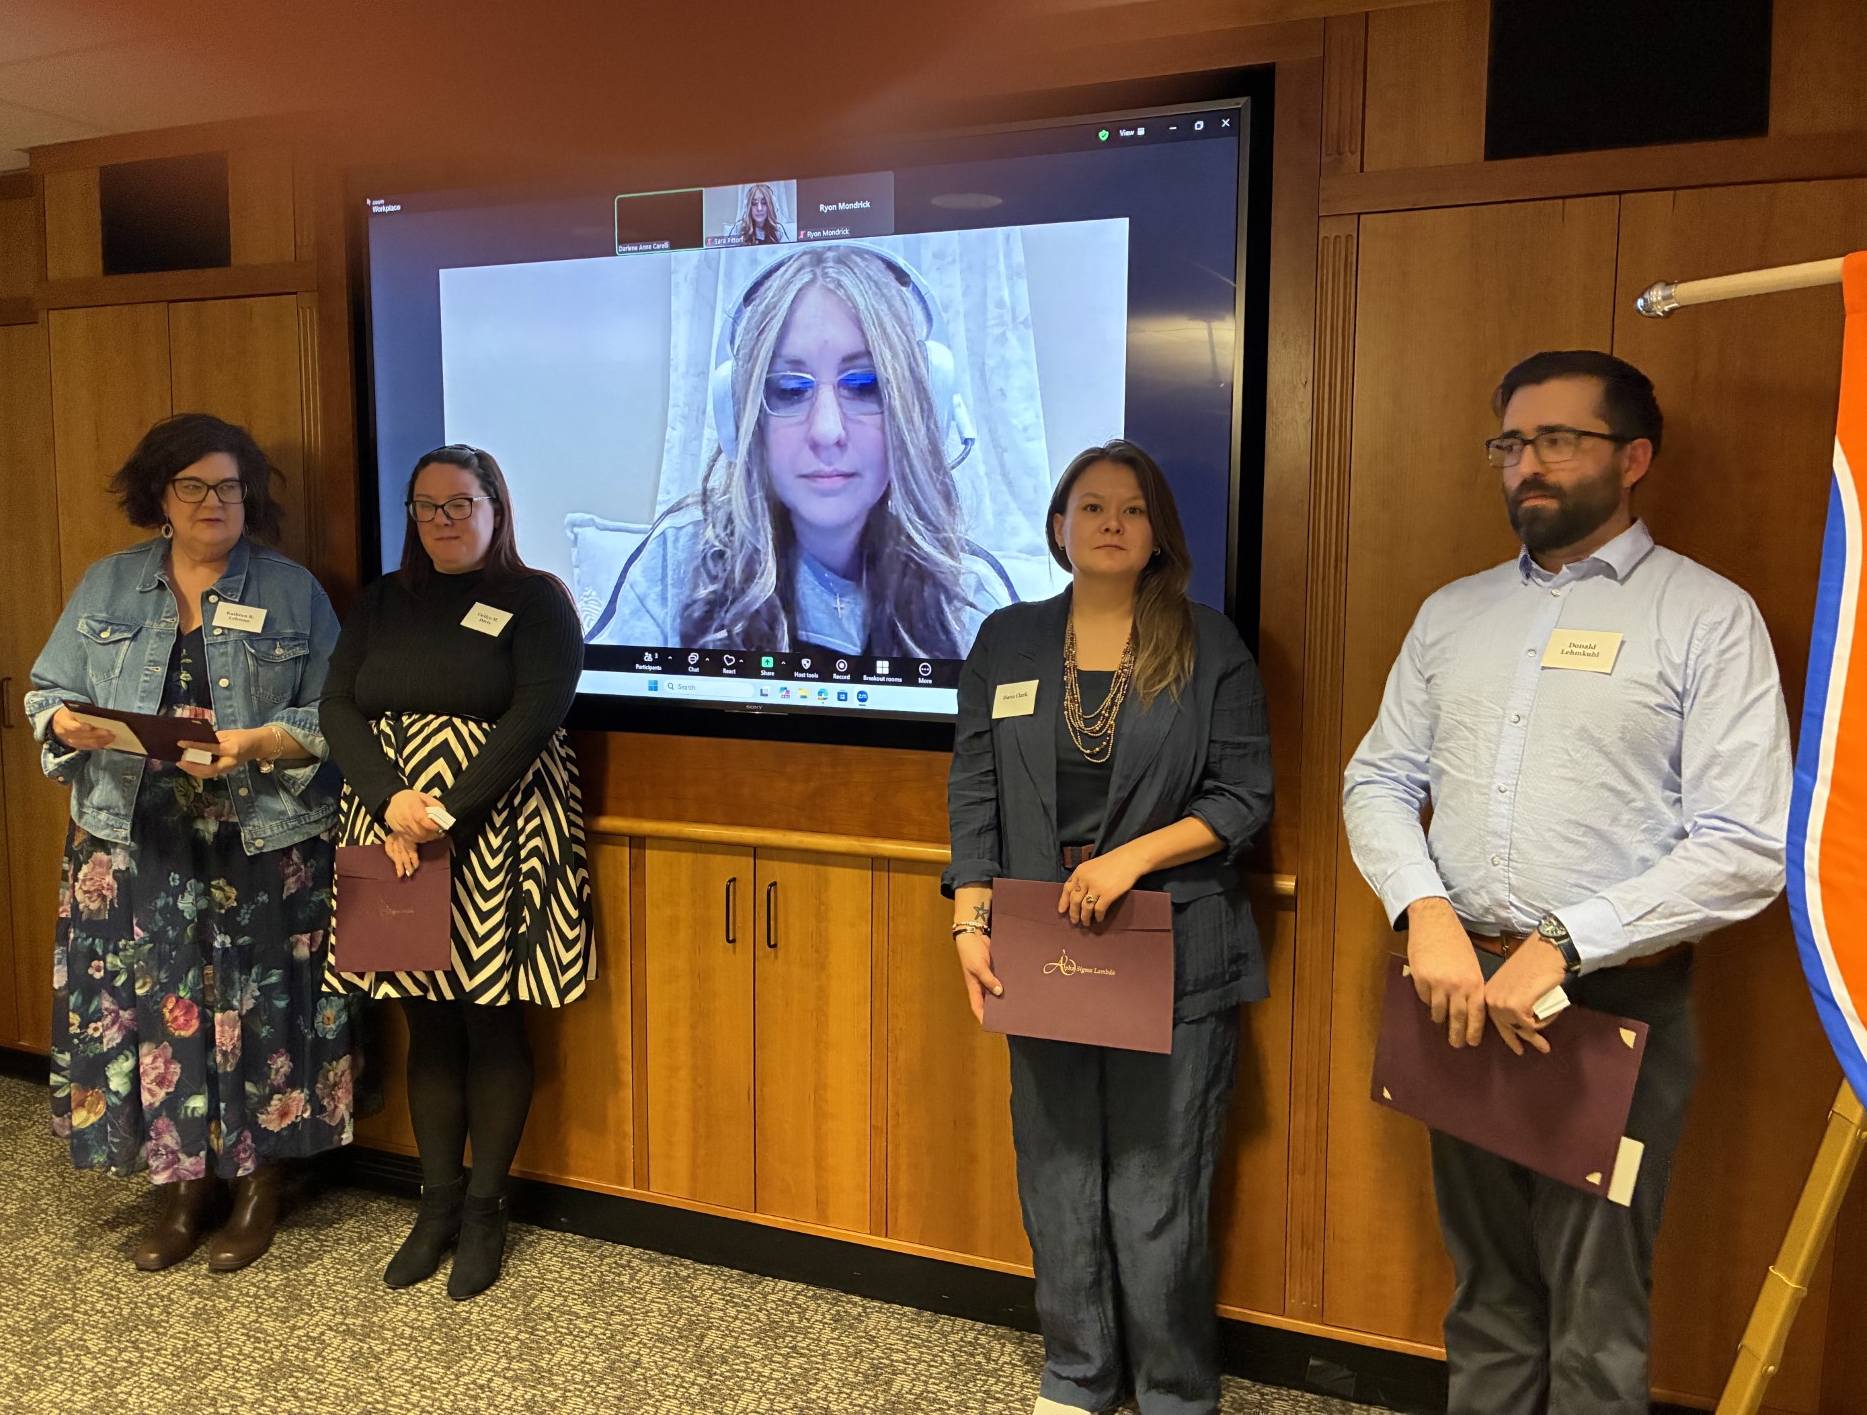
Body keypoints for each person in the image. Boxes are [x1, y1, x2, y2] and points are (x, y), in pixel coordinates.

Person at [1342, 351, 1791, 1413]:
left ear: (1634, 458)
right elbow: (1377, 778)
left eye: (1558, 440)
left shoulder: (1707, 617)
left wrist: (1565, 940)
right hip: (1458, 996)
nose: (1526, 464)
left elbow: (1747, 843)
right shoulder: (1453, 615)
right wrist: (1428, 915)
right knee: (1488, 1291)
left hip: (1609, 1014)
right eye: (1511, 442)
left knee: (1597, 1314)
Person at [944, 439, 1273, 1415]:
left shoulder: (1210, 646)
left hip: (1171, 951)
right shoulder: (1005, 640)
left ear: (1158, 531)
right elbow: (974, 786)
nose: (1112, 523)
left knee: (1157, 1182)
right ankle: (1078, 1374)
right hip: (1037, 953)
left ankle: (1174, 1389)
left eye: (1132, 508)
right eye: (1092, 507)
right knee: (1053, 1172)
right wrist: (970, 920)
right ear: (1059, 527)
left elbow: (1244, 795)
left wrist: (1132, 859)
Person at [25, 413, 348, 1273]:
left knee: (263, 1013)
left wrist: (258, 743)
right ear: (161, 497)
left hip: (260, 835)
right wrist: (63, 720)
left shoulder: (291, 591)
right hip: (135, 839)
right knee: (158, 1011)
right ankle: (181, 1188)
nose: (216, 502)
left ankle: (259, 1185)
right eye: (195, 486)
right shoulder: (108, 585)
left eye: (232, 487)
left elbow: (335, 716)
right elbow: (47, 689)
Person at [321, 442, 591, 1301]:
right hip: (388, 824)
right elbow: (336, 706)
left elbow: (538, 712)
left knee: (490, 1020)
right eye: (426, 507)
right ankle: (433, 1207)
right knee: (424, 1022)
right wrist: (391, 800)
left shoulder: (536, 600)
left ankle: (485, 1210)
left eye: (460, 505)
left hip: (502, 829)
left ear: (496, 510)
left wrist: (443, 812)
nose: (443, 522)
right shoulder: (381, 602)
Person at [599, 243, 1010, 658]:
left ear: (919, 408)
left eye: (865, 385)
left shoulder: (968, 597)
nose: (827, 431)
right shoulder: (675, 567)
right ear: (743, 419)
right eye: (790, 389)